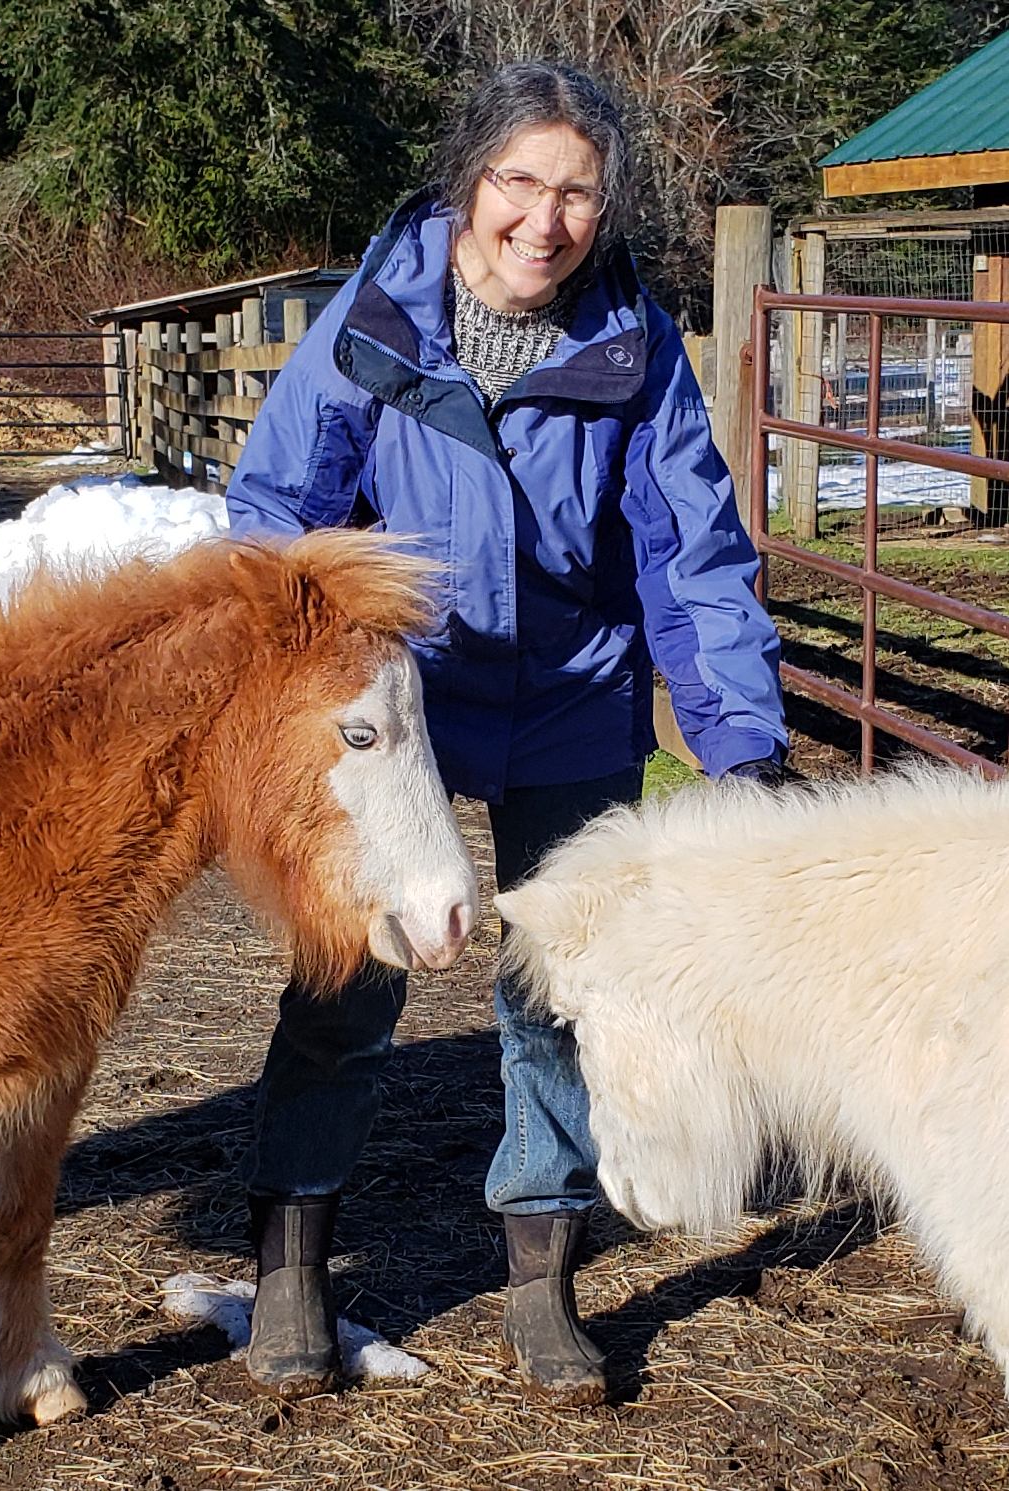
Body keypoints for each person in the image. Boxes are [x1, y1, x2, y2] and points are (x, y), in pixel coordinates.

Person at [225, 59, 788, 1407]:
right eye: (518, 180)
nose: (545, 218)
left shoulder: (634, 347)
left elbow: (695, 558)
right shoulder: (372, 328)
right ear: (469, 180)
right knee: (346, 985)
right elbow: (274, 523)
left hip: (572, 697)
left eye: (577, 191)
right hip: (395, 721)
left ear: (608, 207)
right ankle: (293, 1256)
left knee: (556, 994)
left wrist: (744, 748)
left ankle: (541, 1271)